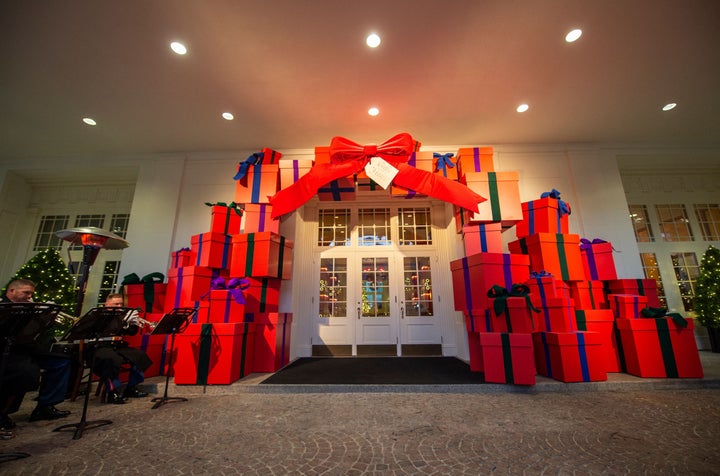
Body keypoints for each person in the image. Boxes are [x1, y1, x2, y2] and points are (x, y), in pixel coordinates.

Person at [0, 279, 72, 439]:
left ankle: (45, 406)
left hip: (28, 346)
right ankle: (3, 412)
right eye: (26, 293)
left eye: (31, 293)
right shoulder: (3, 307)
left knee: (61, 361)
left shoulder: (30, 307)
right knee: (24, 373)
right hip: (8, 350)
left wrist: (47, 319)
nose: (29, 296)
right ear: (11, 291)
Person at [89, 293, 152, 404]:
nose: (119, 306)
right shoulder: (98, 316)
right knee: (110, 359)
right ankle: (113, 391)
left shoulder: (121, 315)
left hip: (117, 346)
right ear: (106, 304)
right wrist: (123, 322)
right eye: (116, 304)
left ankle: (131, 387)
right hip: (100, 346)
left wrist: (132, 324)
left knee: (140, 356)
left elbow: (131, 333)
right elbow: (104, 331)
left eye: (121, 304)